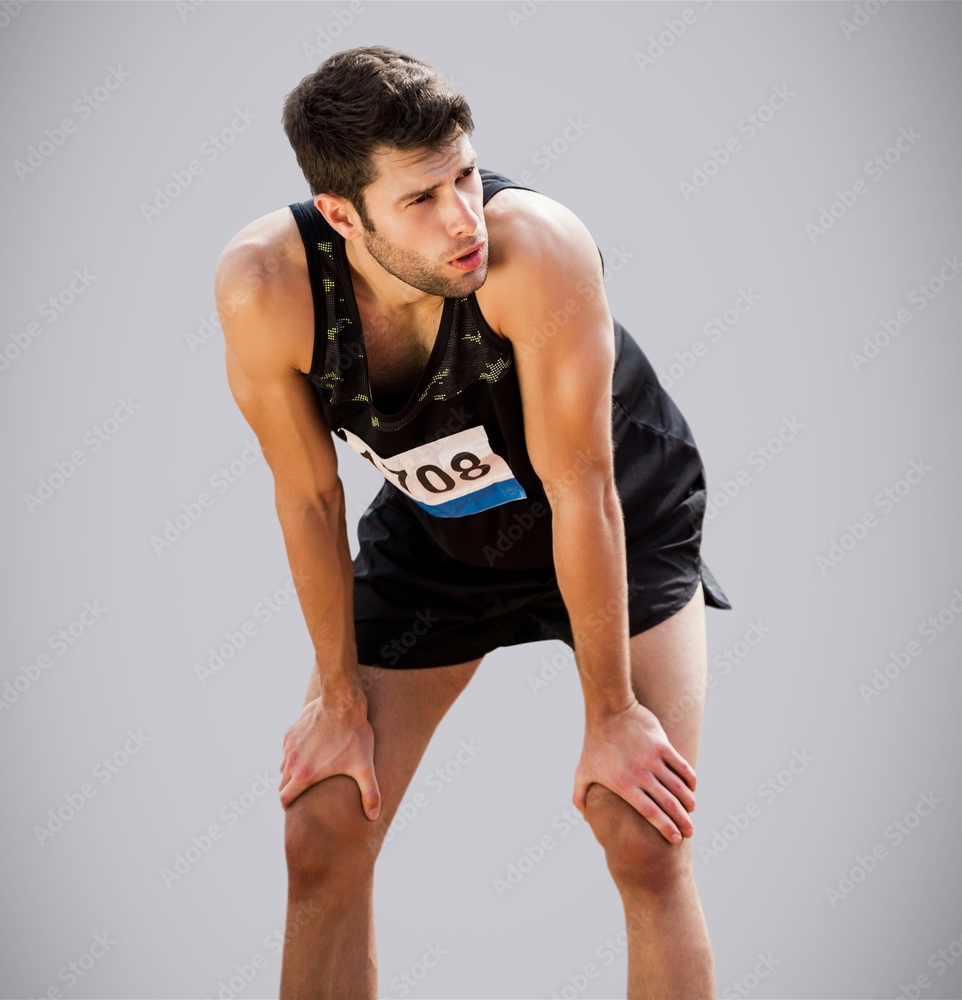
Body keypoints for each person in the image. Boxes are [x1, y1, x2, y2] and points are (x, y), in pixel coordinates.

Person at [213, 44, 732, 1000]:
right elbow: (312, 498)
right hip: (443, 532)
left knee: (641, 830)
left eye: (465, 175)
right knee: (324, 825)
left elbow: (582, 488)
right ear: (340, 216)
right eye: (420, 199)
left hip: (618, 511)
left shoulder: (535, 250)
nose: (464, 220)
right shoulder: (266, 289)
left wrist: (612, 717)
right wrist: (335, 696)